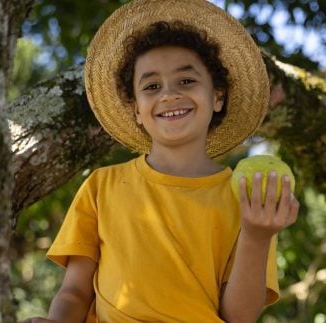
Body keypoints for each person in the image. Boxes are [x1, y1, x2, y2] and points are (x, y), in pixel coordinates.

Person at [25, 0, 299, 322]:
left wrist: (257, 235)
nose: (168, 94)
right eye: (151, 86)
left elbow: (238, 317)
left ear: (217, 97)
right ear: (137, 110)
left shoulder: (246, 198)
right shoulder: (102, 186)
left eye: (186, 81)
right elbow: (74, 291)